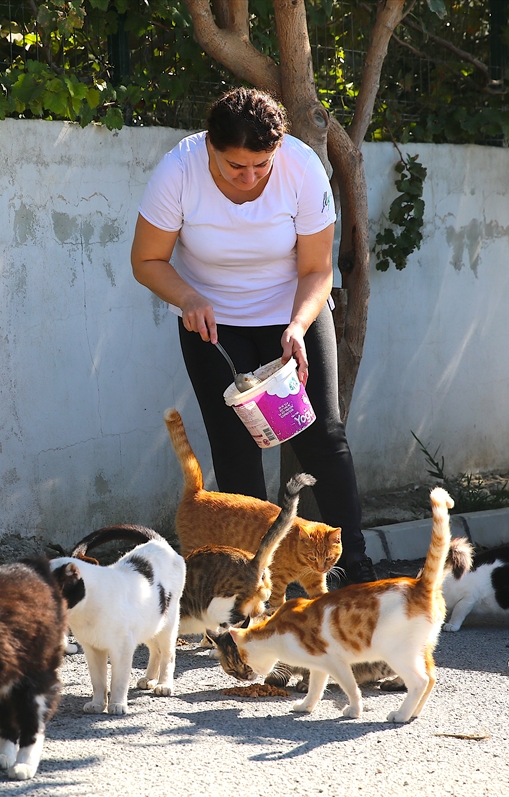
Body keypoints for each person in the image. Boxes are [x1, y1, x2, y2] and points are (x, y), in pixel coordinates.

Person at [131, 88, 376, 585]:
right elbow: (146, 260)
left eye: (261, 165)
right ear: (210, 149)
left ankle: (357, 573)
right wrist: (188, 298)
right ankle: (253, 583)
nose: (249, 177)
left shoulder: (302, 168)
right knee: (236, 449)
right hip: (214, 325)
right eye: (235, 167)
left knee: (322, 437)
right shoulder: (179, 170)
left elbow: (316, 269)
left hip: (292, 316)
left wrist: (298, 326)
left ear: (278, 149)